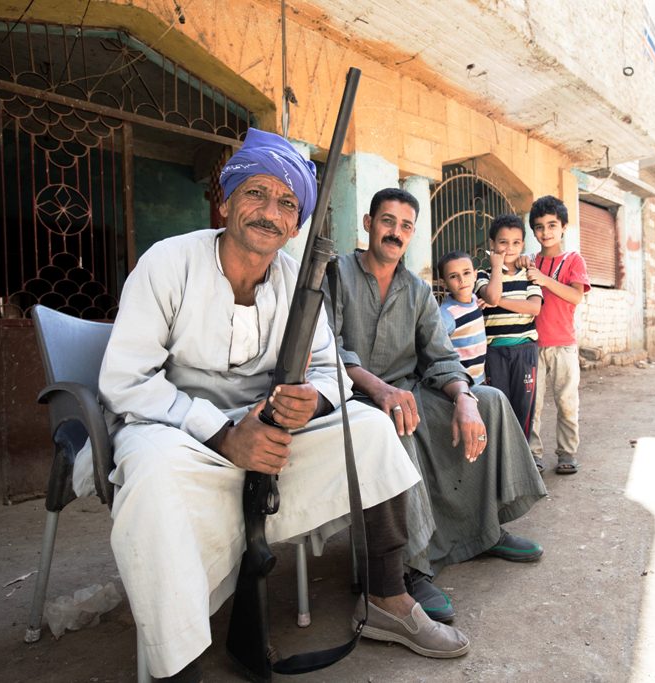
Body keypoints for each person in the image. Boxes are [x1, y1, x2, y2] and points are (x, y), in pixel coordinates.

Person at [98, 130, 470, 682]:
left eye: (287, 203)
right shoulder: (167, 262)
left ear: (297, 225)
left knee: (368, 427)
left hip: (269, 429)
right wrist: (224, 435)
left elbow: (329, 368)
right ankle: (177, 666)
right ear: (225, 201)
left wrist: (309, 402)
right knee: (150, 476)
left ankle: (388, 598)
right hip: (176, 431)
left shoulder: (298, 279)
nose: (270, 213)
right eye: (256, 194)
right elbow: (128, 382)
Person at [325, 187, 548, 625]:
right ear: (369, 224)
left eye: (405, 226)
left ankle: (484, 530)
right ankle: (409, 567)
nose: (396, 232)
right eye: (387, 221)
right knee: (394, 425)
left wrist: (464, 398)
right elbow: (327, 347)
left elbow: (442, 356)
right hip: (352, 397)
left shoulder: (416, 289)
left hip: (410, 389)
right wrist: (381, 391)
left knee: (491, 401)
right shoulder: (338, 273)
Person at [518, 195, 591, 475]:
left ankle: (567, 452)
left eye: (552, 225)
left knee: (566, 401)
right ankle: (533, 453)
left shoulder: (574, 260)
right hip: (531, 344)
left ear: (564, 227)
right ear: (533, 231)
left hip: (563, 345)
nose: (545, 232)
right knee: (531, 404)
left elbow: (575, 296)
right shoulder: (529, 261)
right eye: (539, 227)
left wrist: (545, 279)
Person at [474, 214, 543, 462]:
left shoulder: (529, 274)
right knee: (497, 407)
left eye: (516, 243)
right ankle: (500, 461)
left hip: (524, 351)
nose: (509, 248)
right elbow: (490, 295)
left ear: (523, 245)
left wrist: (500, 302)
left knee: (524, 408)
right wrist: (495, 267)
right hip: (494, 354)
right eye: (503, 242)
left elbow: (534, 308)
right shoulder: (483, 274)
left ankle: (522, 460)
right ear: (492, 244)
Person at [437, 250, 488, 385]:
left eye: (466, 273)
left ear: (475, 275)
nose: (462, 280)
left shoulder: (474, 299)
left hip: (479, 378)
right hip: (462, 383)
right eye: (453, 276)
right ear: (443, 283)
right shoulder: (446, 314)